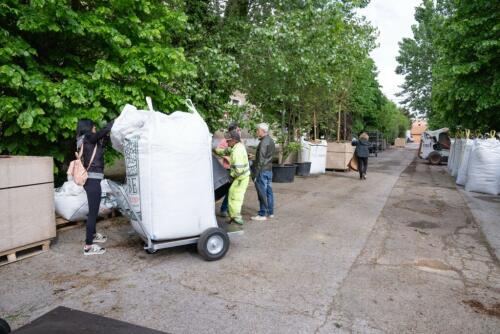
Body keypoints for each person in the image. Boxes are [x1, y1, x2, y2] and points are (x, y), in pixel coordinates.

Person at [76, 119, 114, 255]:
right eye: (93, 127)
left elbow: (101, 141)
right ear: (89, 128)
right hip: (92, 180)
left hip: (92, 180)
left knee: (93, 210)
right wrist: (113, 123)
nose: (95, 129)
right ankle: (88, 246)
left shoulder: (85, 140)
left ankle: (92, 235)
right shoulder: (87, 138)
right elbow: (101, 133)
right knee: (93, 213)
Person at [214, 130, 250, 225]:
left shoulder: (237, 152)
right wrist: (216, 150)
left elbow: (238, 170)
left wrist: (231, 176)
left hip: (240, 178)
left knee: (235, 197)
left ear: (234, 140)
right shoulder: (236, 146)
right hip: (241, 177)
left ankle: (236, 217)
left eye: (228, 141)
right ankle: (233, 216)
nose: (227, 142)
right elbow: (227, 150)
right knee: (232, 194)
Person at [251, 123, 275, 221]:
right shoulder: (270, 140)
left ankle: (262, 214)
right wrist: (255, 157)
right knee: (269, 192)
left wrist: (255, 174)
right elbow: (267, 157)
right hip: (269, 170)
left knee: (262, 192)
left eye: (258, 130)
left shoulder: (264, 142)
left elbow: (261, 160)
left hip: (262, 170)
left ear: (263, 131)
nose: (257, 132)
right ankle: (270, 212)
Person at [216, 122, 241, 217]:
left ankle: (229, 209)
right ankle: (224, 209)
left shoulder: (238, 140)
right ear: (233, 130)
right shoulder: (225, 140)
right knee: (228, 190)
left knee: (233, 191)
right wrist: (227, 157)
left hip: (236, 169)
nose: (239, 131)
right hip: (228, 169)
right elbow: (217, 150)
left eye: (239, 130)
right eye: (238, 130)